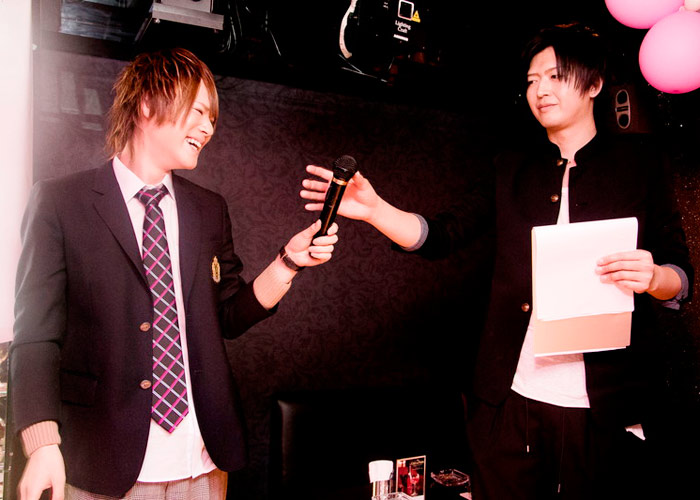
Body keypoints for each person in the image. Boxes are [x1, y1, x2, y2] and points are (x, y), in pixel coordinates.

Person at [301, 24, 693, 499]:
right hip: (510, 399)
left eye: (555, 75)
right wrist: (375, 211)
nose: (540, 90)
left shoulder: (640, 164)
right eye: (531, 80)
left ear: (593, 84)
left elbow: (681, 275)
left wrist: (654, 277)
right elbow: (443, 234)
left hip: (606, 407)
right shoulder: (511, 167)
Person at [11, 47, 339, 500]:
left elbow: (229, 315)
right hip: (103, 457)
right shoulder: (60, 202)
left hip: (201, 458)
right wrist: (42, 443)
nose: (208, 128)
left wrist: (288, 262)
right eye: (199, 112)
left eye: (212, 119)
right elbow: (35, 336)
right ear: (147, 104)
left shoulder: (208, 209)